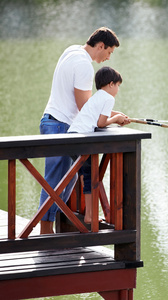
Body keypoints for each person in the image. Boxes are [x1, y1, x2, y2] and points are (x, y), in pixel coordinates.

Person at [39, 27, 122, 234]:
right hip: (61, 124)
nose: (108, 57)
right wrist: (112, 119)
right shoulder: (84, 65)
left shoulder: (71, 51)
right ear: (100, 46)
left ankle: (53, 227)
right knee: (56, 181)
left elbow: (87, 107)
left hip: (53, 121)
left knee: (69, 179)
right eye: (109, 52)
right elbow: (84, 107)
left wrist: (111, 113)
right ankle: (45, 232)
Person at [68, 66, 130, 224]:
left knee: (84, 175)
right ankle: (90, 216)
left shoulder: (97, 97)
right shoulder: (109, 98)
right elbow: (101, 123)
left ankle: (88, 214)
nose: (118, 89)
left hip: (71, 137)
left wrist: (119, 115)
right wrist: (116, 120)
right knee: (90, 177)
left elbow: (101, 116)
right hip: (82, 140)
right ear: (111, 84)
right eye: (118, 85)